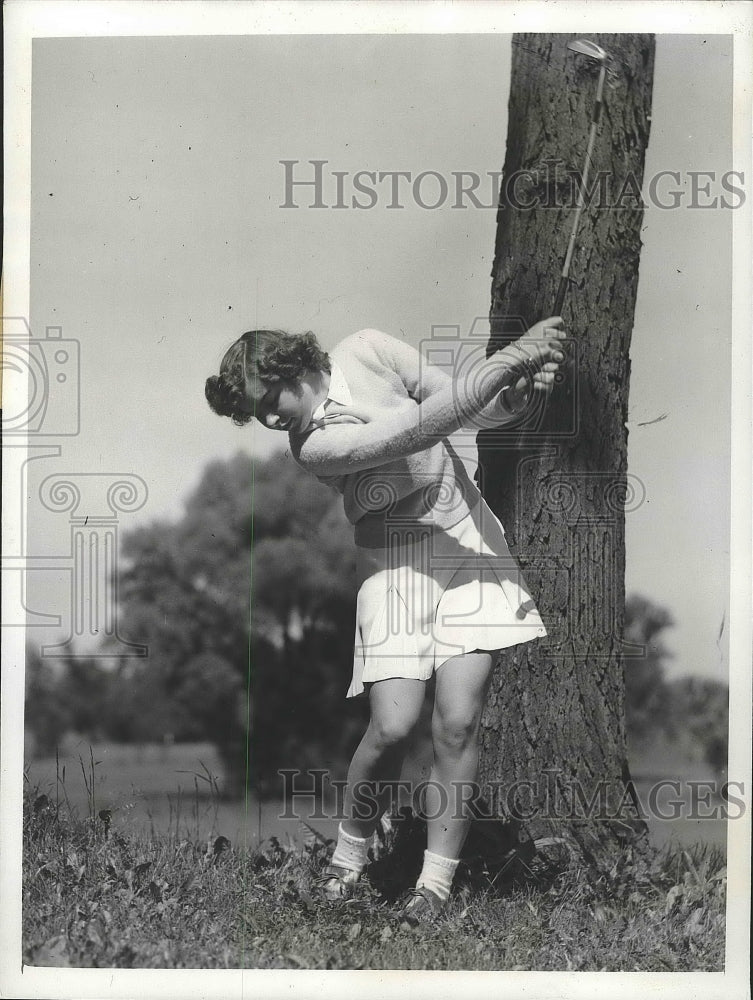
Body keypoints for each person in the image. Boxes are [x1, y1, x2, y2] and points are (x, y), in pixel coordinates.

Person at [205, 319, 567, 924]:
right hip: (395, 566)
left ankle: (435, 886)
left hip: (467, 548)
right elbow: (413, 430)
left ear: (289, 367)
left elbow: (465, 410)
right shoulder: (311, 446)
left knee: (457, 724)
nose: (269, 422)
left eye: (268, 402)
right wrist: (510, 359)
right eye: (255, 415)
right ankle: (348, 862)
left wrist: (517, 393)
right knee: (395, 727)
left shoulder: (370, 350)